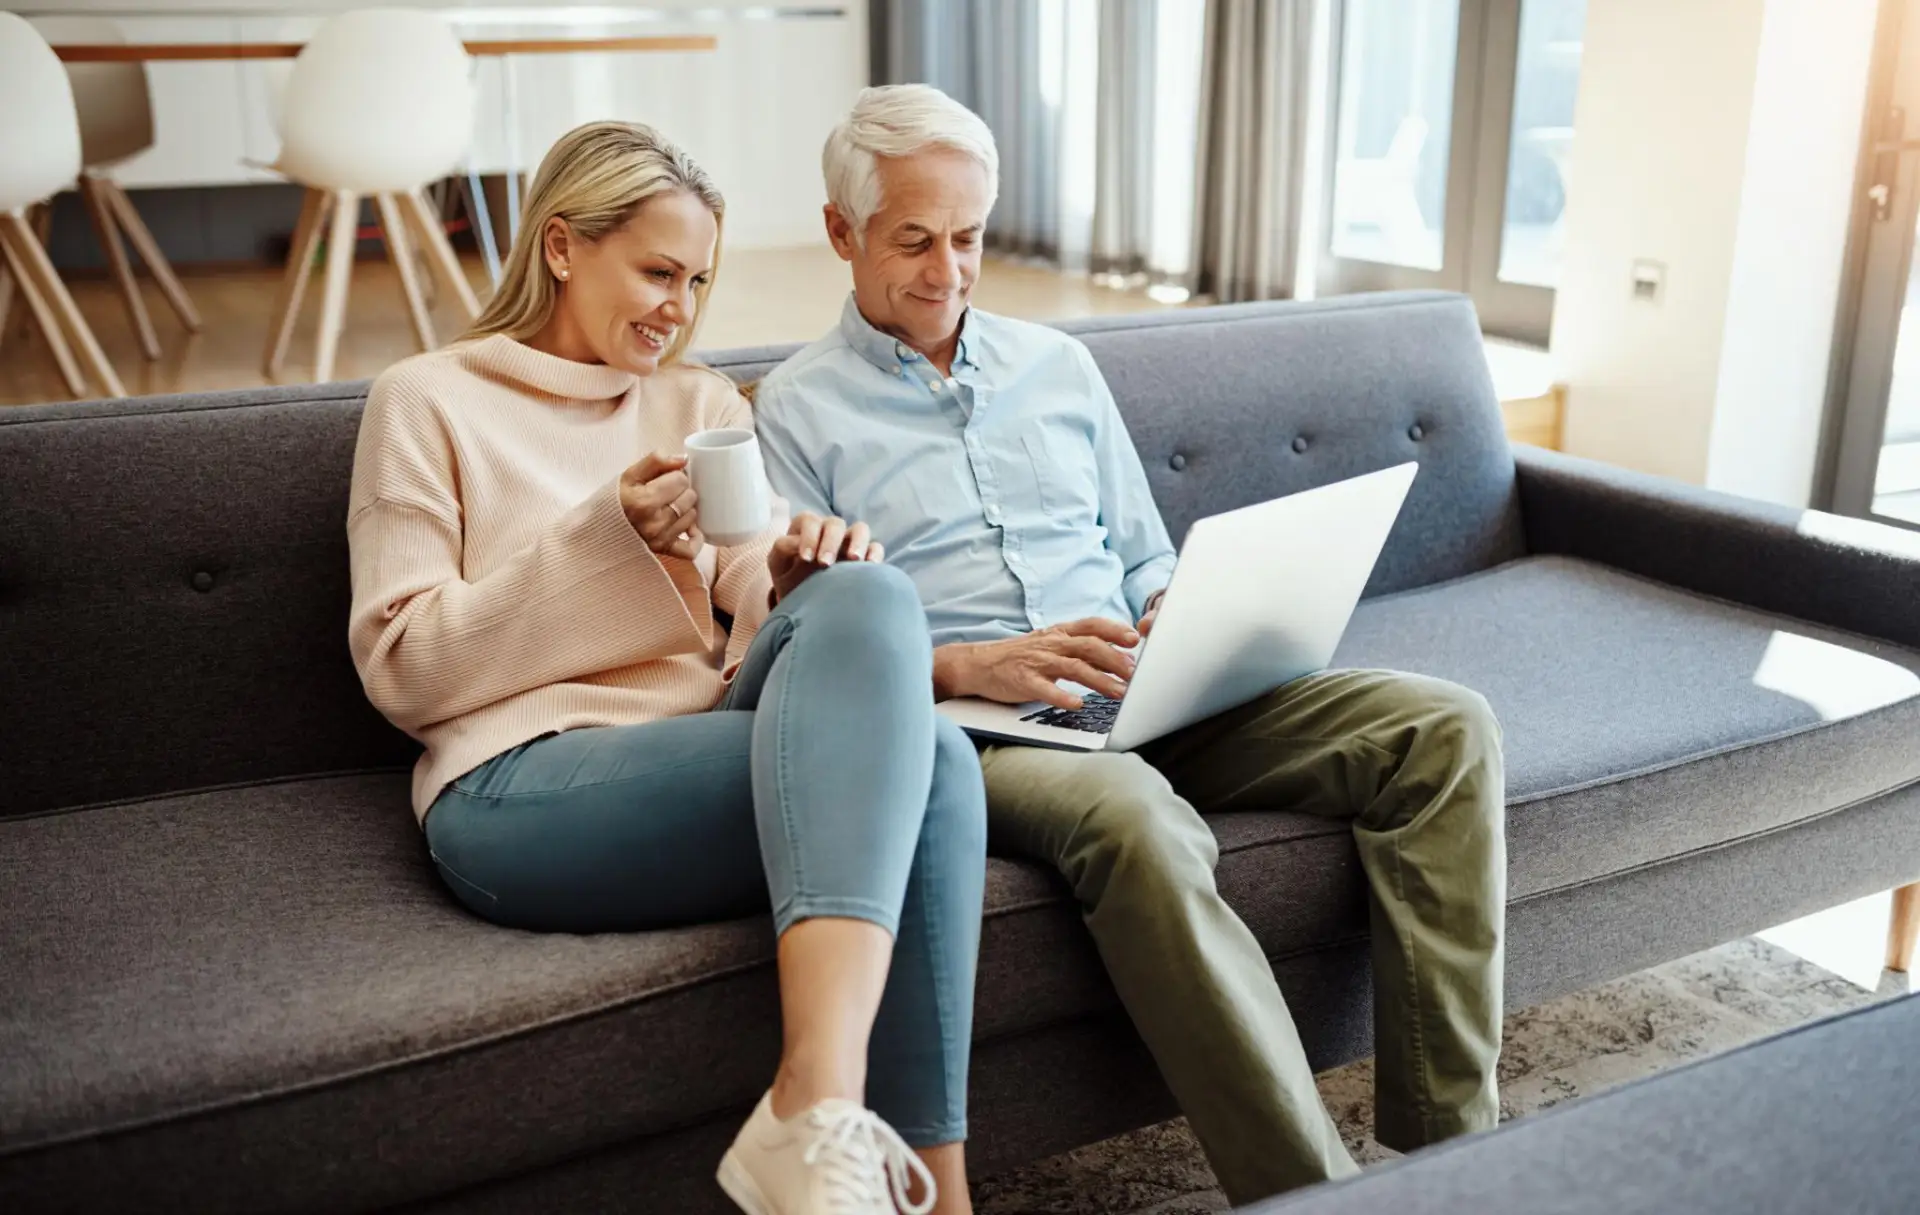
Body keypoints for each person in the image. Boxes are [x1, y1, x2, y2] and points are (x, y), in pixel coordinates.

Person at [753, 85, 1508, 1206]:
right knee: (1140, 821)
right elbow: (809, 657)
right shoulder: (793, 412)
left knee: (1443, 729)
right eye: (913, 240)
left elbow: (1145, 553)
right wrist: (967, 665)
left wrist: (1178, 614)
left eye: (967, 238)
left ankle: (1457, 1154)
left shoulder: (1056, 367)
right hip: (985, 737)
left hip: (1149, 689)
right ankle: (1313, 1193)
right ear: (840, 234)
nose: (948, 270)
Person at [346, 120, 986, 1215]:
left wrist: (788, 569)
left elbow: (742, 586)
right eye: (655, 271)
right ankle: (833, 1128)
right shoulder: (428, 399)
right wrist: (609, 538)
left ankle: (850, 1131)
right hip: (519, 783)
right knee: (932, 764)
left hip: (700, 741)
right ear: (561, 246)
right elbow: (405, 664)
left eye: (695, 281)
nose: (677, 309)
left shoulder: (697, 404)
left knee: (869, 599)